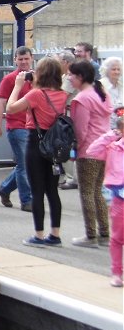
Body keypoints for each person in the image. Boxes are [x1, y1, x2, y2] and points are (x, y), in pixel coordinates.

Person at [6, 56, 68, 247]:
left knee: (37, 191)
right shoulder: (63, 94)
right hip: (54, 145)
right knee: (52, 192)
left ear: (40, 74)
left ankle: (39, 235)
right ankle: (55, 234)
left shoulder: (35, 95)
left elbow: (10, 109)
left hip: (35, 143)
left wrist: (17, 86)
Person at [67, 61, 112, 247]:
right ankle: (104, 233)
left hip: (89, 150)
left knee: (86, 192)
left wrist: (74, 149)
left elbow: (80, 131)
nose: (69, 78)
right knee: (98, 192)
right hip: (105, 149)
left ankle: (90, 235)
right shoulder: (102, 94)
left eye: (71, 75)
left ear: (80, 77)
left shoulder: (82, 99)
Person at [85, 115, 124, 287]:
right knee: (117, 238)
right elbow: (91, 151)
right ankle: (116, 272)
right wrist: (110, 135)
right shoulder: (113, 147)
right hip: (119, 199)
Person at [0, 46, 32, 211]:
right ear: (15, 60)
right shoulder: (10, 79)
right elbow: (1, 103)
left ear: (31, 59)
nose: (23, 62)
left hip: (33, 127)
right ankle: (27, 200)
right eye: (20, 59)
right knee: (25, 165)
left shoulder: (37, 78)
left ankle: (4, 188)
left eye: (26, 59)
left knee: (26, 165)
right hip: (17, 127)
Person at [56, 50, 79, 190]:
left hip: (69, 115)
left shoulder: (71, 77)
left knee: (68, 145)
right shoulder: (66, 75)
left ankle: (71, 177)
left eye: (59, 62)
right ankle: (67, 176)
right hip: (67, 113)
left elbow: (62, 96)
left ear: (65, 62)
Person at [100, 56, 122, 129]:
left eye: (118, 69)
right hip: (105, 128)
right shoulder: (100, 86)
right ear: (106, 70)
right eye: (113, 69)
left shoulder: (122, 85)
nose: (117, 72)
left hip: (121, 128)